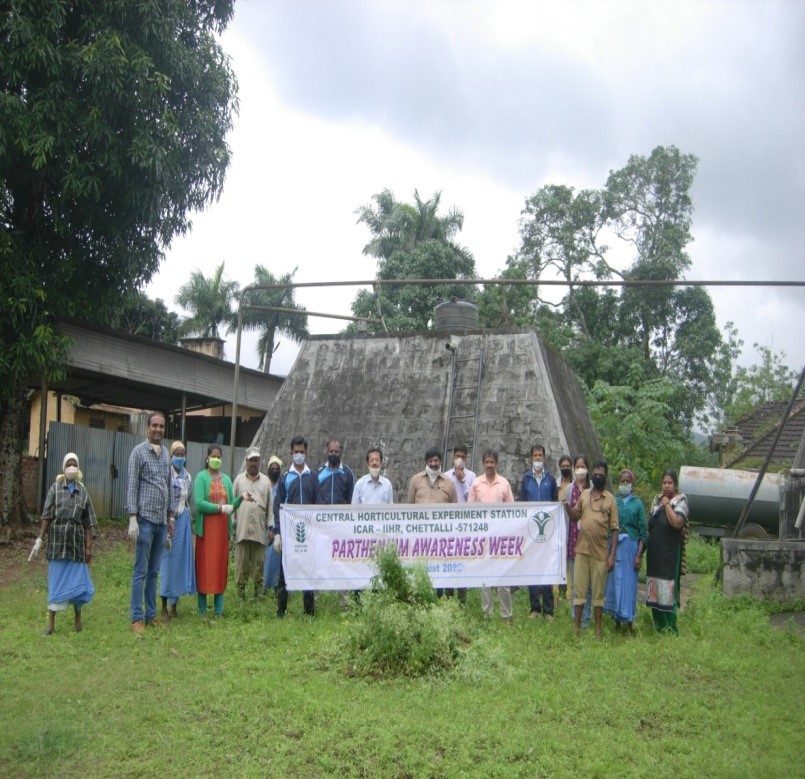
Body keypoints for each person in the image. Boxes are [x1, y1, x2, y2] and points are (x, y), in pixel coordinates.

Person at [28, 453, 97, 635]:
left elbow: (89, 522)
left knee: (78, 583)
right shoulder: (55, 488)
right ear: (64, 467)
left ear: (78, 468)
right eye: (69, 464)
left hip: (75, 546)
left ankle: (78, 620)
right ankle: (51, 624)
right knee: (55, 582)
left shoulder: (83, 492)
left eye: (75, 464)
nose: (72, 468)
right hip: (57, 545)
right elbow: (47, 515)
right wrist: (39, 539)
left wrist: (88, 546)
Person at [127, 411, 175, 634]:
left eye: (161, 426)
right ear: (148, 428)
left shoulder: (166, 454)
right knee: (141, 571)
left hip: (161, 522)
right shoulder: (138, 453)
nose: (157, 429)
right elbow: (132, 486)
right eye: (154, 425)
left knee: (155, 571)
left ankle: (151, 614)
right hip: (144, 520)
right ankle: (137, 618)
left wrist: (171, 517)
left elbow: (169, 486)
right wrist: (133, 518)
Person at [193, 444, 245, 618]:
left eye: (218, 456)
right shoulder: (201, 477)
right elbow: (199, 503)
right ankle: (201, 610)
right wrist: (219, 508)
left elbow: (230, 508)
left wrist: (241, 499)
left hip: (222, 532)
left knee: (219, 568)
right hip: (206, 532)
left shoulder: (227, 480)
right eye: (213, 456)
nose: (216, 459)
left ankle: (218, 610)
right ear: (207, 458)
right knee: (204, 568)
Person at [568, 459, 618, 639]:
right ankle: (577, 628)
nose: (597, 477)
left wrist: (612, 555)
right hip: (581, 551)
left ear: (606, 476)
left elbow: (614, 529)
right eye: (595, 474)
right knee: (579, 591)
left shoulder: (611, 499)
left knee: (598, 594)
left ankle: (598, 629)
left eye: (600, 474)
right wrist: (567, 507)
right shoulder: (584, 495)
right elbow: (575, 517)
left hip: (600, 554)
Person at [274, 436, 318, 617]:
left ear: (306, 453)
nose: (299, 455)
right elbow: (278, 506)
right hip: (289, 533)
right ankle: (281, 611)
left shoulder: (313, 477)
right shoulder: (285, 478)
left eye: (301, 452)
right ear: (291, 453)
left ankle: (309, 611)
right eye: (296, 452)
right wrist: (277, 533)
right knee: (285, 571)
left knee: (309, 570)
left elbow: (318, 505)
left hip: (308, 533)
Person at [469, 450, 515, 622]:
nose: (489, 465)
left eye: (492, 462)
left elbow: (512, 511)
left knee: (503, 580)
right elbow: (470, 511)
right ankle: (487, 614)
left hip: (500, 538)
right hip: (482, 539)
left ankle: (506, 615)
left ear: (497, 463)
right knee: (484, 580)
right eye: (486, 462)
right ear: (483, 464)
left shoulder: (504, 484)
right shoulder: (476, 484)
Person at [408, 447, 458, 598]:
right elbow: (409, 506)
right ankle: (421, 598)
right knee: (421, 567)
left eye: (436, 460)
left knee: (443, 569)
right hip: (420, 535)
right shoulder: (416, 480)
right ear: (426, 462)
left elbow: (454, 510)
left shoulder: (449, 483)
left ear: (441, 462)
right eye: (430, 461)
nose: (433, 464)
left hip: (442, 536)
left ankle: (445, 600)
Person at [646, 469, 689, 635]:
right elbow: (651, 524)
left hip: (670, 554)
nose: (666, 485)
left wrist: (666, 504)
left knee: (667, 590)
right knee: (655, 589)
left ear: (675, 485)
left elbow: (677, 523)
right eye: (664, 482)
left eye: (670, 483)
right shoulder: (655, 500)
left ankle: (671, 629)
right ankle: (658, 627)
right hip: (655, 554)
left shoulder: (681, 501)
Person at [604, 468, 647, 632]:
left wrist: (639, 555)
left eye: (627, 481)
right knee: (615, 583)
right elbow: (609, 525)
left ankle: (629, 624)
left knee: (629, 586)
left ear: (632, 483)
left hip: (631, 548)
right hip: (615, 547)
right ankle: (616, 622)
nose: (624, 484)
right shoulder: (614, 501)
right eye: (622, 481)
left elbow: (643, 532)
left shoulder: (637, 504)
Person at [518, 445, 558, 621]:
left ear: (545, 457)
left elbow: (555, 503)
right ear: (531, 458)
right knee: (532, 568)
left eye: (540, 455)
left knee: (547, 568)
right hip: (531, 532)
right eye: (535, 455)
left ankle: (548, 611)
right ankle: (534, 608)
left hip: (547, 531)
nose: (538, 458)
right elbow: (521, 504)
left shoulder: (551, 479)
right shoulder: (526, 479)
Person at [159, 440, 196, 619]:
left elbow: (188, 497)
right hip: (169, 522)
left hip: (184, 521)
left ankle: (175, 605)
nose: (180, 457)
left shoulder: (188, 476)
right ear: (171, 455)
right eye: (177, 454)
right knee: (168, 562)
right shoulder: (166, 474)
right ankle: (164, 605)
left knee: (180, 563)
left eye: (182, 455)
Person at [232, 447, 271, 600]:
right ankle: (241, 598)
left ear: (259, 461)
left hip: (260, 533)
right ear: (247, 461)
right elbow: (233, 505)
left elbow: (270, 508)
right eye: (251, 460)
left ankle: (258, 596)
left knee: (259, 565)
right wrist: (233, 526)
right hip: (242, 532)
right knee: (241, 566)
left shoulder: (266, 481)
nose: (254, 463)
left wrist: (270, 528)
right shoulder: (239, 480)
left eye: (256, 460)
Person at [564, 454, 592, 627]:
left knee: (588, 584)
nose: (580, 469)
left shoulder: (593, 487)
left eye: (583, 466)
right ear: (574, 469)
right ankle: (576, 616)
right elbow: (567, 516)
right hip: (574, 540)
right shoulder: (569, 489)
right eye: (578, 466)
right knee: (575, 584)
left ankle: (587, 618)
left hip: (589, 542)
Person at [263, 455, 283, 592]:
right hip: (265, 527)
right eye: (272, 468)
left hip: (279, 527)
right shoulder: (264, 485)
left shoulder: (282, 486)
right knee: (266, 558)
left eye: (277, 468)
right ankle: (265, 586)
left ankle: (277, 586)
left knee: (277, 558)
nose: (274, 470)